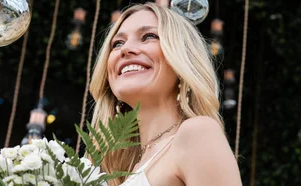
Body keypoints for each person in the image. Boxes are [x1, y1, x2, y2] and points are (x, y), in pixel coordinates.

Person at [89, 2, 242, 186]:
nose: (125, 49)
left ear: (182, 58)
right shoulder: (122, 168)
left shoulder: (197, 133)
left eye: (149, 36)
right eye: (117, 43)